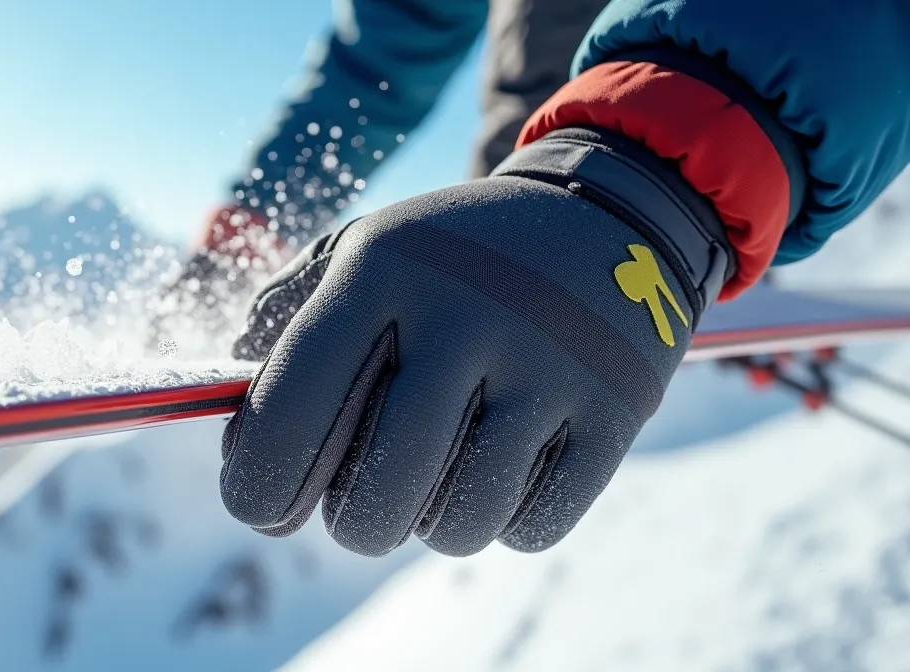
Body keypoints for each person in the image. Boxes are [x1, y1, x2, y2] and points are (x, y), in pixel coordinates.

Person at [176, 0, 910, 557]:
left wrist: (660, 172)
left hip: (644, 129)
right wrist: (261, 213)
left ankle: (670, 238)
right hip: (538, 158)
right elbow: (398, 32)